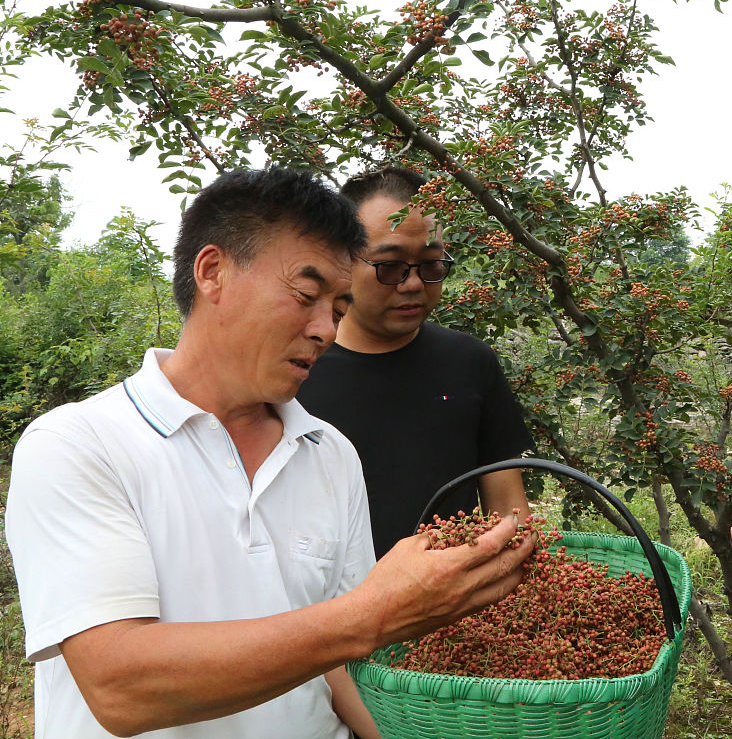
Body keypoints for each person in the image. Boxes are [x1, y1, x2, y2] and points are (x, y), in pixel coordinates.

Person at [5, 168, 533, 739]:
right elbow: (120, 688)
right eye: (306, 296)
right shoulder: (79, 446)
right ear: (213, 272)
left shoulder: (329, 454)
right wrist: (371, 617)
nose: (325, 329)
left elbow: (338, 661)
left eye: (336, 306)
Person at [298, 167, 532, 559]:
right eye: (389, 266)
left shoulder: (469, 362)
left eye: (431, 265)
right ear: (343, 261)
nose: (412, 284)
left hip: (455, 608)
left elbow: (509, 512)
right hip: (330, 612)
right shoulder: (297, 368)